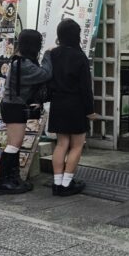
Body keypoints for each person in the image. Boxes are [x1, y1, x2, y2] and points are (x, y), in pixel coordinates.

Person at [43, 19, 98, 197]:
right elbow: (85, 88)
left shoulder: (53, 54)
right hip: (76, 105)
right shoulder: (79, 56)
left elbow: (48, 79)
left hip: (58, 104)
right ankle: (67, 183)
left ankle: (57, 183)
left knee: (61, 144)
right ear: (76, 35)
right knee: (76, 145)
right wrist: (90, 111)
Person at [0, 29, 52, 196]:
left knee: (15, 144)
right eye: (39, 44)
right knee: (14, 144)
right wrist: (48, 55)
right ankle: (4, 182)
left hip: (13, 106)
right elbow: (45, 74)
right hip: (13, 108)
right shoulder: (23, 64)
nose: (41, 47)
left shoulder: (20, 61)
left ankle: (12, 179)